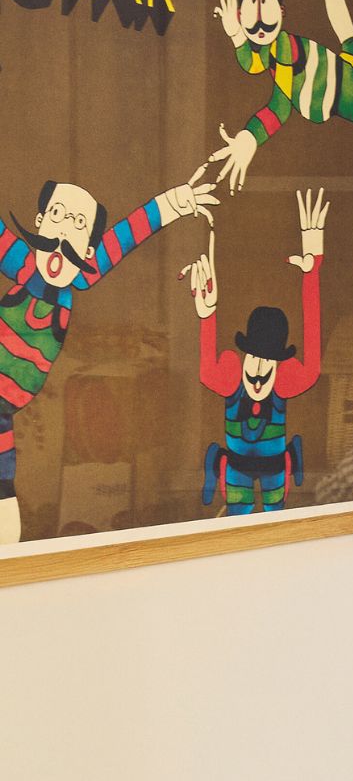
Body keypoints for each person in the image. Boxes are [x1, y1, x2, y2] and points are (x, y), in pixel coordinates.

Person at [0, 169, 218, 543]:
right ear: (38, 224)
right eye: (57, 217)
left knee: (4, 489)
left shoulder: (82, 275)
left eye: (78, 224)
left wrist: (171, 205)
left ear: (88, 252)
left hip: (5, 411)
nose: (64, 232)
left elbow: (125, 236)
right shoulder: (21, 262)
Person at [183, 190, 326, 515]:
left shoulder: (285, 382)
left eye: (269, 359)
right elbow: (206, 371)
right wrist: (206, 316)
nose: (260, 368)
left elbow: (313, 362)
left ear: (281, 362)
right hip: (235, 468)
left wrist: (313, 270)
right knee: (238, 516)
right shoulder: (231, 376)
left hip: (276, 468)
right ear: (244, 355)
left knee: (276, 518)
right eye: (256, 356)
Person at [211, 0, 353, 192]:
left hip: (339, 87)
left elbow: (280, 106)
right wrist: (235, 35)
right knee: (351, 42)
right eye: (251, 7)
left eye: (263, 5)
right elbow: (252, 65)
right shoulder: (273, 48)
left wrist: (250, 137)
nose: (258, 20)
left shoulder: (284, 50)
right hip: (332, 86)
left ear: (281, 11)